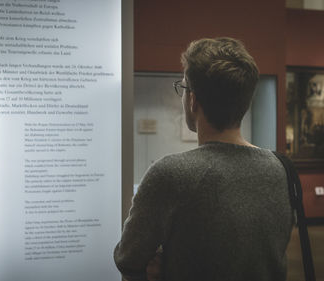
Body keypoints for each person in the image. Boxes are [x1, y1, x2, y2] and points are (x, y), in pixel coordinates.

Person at [113, 37, 294, 281]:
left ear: (193, 99)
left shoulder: (169, 173)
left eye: (184, 87)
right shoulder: (280, 169)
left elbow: (128, 259)